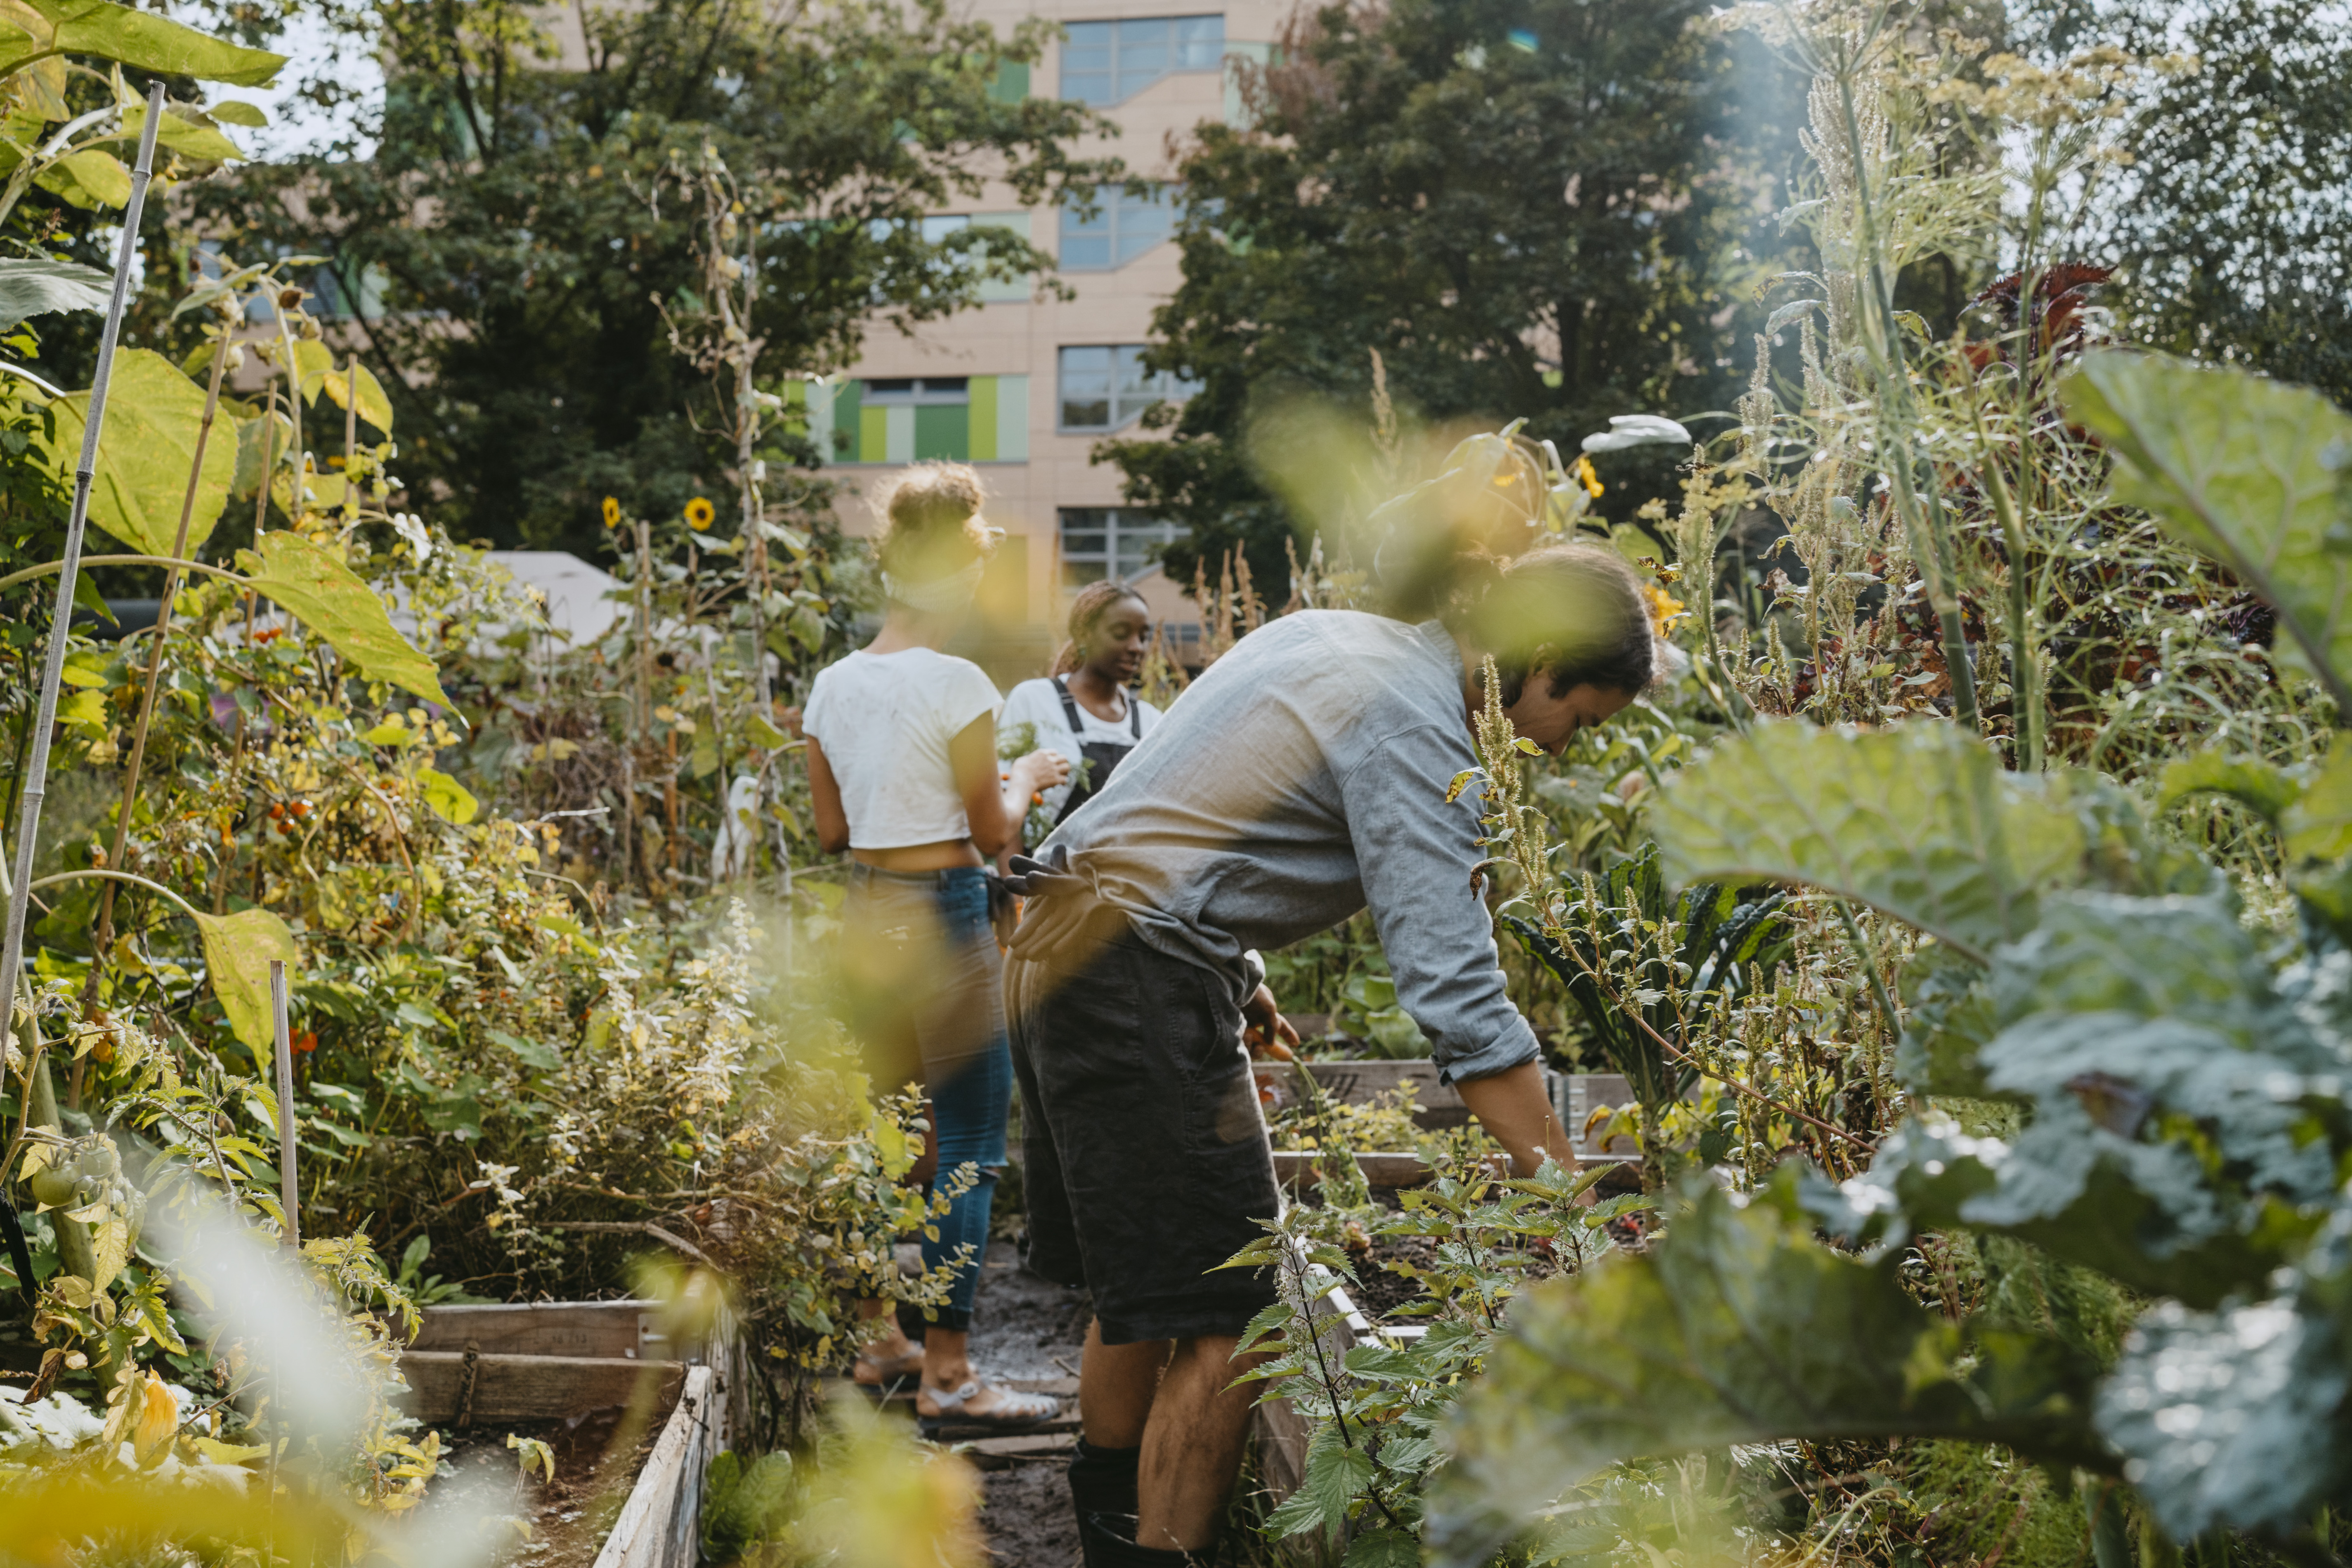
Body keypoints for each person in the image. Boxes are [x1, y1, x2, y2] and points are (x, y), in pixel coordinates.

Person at [1002, 544, 1659, 1566]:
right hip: (1135, 976)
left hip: (1071, 941)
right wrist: (1570, 1207)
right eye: (1580, 719)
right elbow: (1458, 997)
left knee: (1142, 1293)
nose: (1568, 748)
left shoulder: (1344, 638)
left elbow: (1180, 796)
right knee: (1235, 1312)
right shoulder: (1418, 728)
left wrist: (1241, 967)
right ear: (1537, 656)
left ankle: (1109, 1538)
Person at [801, 460, 1072, 1431]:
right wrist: (1029, 775)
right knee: (964, 1146)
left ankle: (881, 1337)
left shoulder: (832, 685)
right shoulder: (960, 681)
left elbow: (833, 832)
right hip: (946, 913)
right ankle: (950, 1373)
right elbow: (995, 832)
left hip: (867, 912)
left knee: (885, 1140)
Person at [998, 581, 1164, 837]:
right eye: (1121, 634)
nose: (1136, 648)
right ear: (1084, 634)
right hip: (1039, 870)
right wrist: (1011, 874)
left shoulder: (1151, 721)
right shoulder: (1035, 699)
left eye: (1143, 636)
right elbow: (1004, 791)